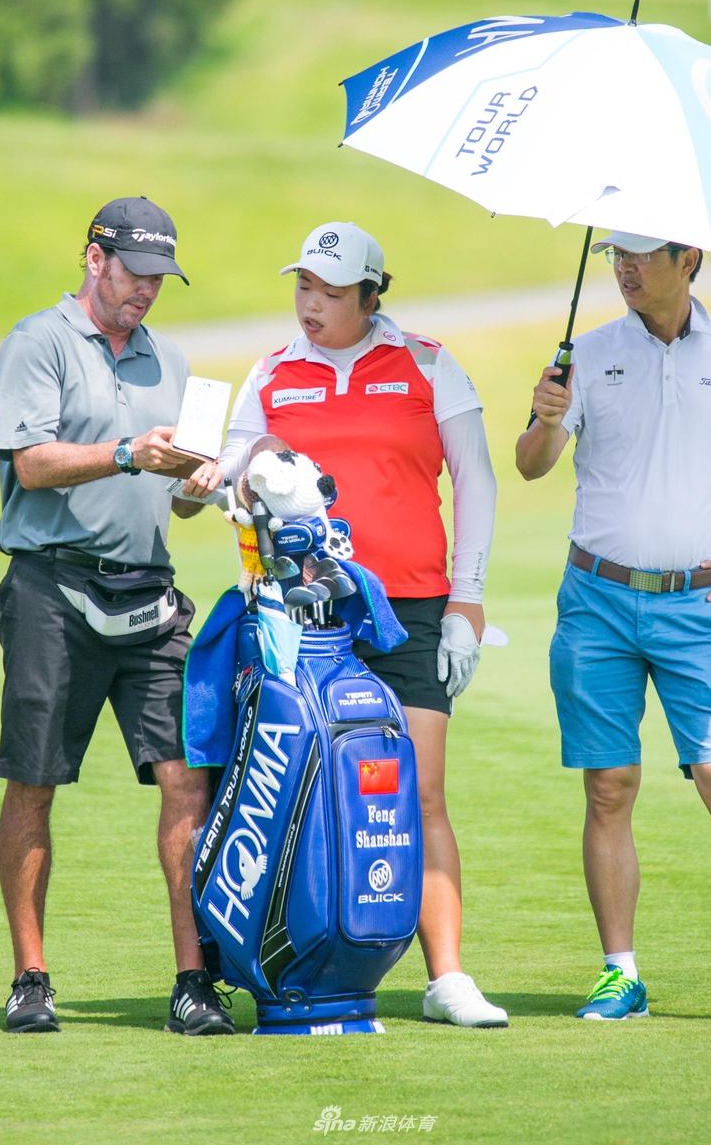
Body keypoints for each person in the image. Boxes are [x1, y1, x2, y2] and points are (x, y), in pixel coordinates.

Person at [186, 221, 507, 1028]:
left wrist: (467, 599)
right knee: (297, 784)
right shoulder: (272, 372)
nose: (311, 305)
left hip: (410, 610)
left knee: (419, 789)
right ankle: (293, 962)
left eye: (330, 292)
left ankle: (447, 977)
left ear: (372, 294)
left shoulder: (427, 364)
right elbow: (223, 470)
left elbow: (477, 480)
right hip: (306, 616)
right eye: (303, 286)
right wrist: (194, 479)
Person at [515, 231, 711, 1024]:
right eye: (613, 255)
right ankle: (619, 973)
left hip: (698, 606)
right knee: (609, 787)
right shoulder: (583, 355)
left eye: (641, 255)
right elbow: (530, 462)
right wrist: (548, 417)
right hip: (597, 599)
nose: (624, 269)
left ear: (687, 258)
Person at [0, 197, 233, 1037]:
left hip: (151, 593)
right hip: (52, 591)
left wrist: (196, 487)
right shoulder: (40, 341)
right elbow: (32, 459)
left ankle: (193, 982)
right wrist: (129, 451)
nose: (146, 294)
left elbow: (177, 488)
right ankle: (31, 976)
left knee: (185, 778)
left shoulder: (173, 361)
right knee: (36, 777)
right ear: (95, 258)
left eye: (160, 280)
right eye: (135, 275)